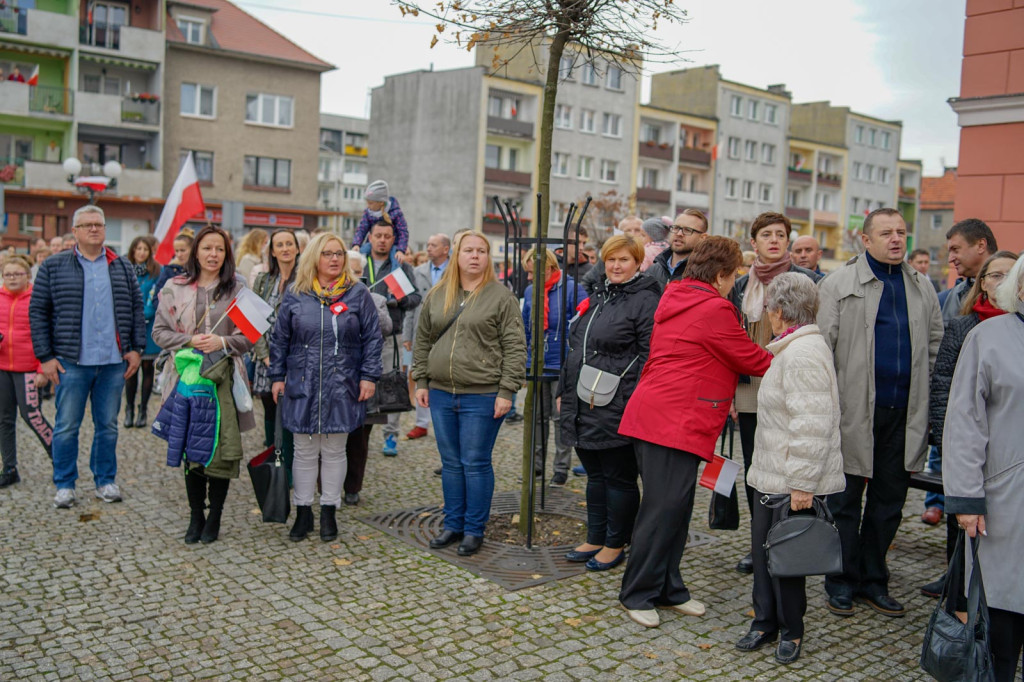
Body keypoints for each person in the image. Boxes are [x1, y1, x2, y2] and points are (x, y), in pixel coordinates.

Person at [617, 236, 773, 629]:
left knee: (675, 508)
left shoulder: (681, 296)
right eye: (733, 275)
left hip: (665, 416)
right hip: (672, 420)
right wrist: (795, 351)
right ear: (720, 275)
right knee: (662, 510)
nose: (734, 282)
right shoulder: (713, 308)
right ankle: (637, 592)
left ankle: (668, 588)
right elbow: (751, 358)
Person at [817, 208, 943, 618]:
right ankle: (840, 580)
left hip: (905, 413)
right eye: (886, 233)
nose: (896, 239)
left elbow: (935, 348)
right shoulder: (838, 284)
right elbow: (821, 350)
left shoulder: (921, 286)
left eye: (901, 232)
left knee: (889, 503)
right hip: (852, 412)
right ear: (866, 240)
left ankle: (873, 579)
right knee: (844, 501)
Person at [736, 273, 845, 665]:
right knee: (764, 553)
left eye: (768, 307)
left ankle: (791, 630)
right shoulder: (792, 347)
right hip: (772, 474)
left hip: (789, 479)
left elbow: (811, 424)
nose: (766, 313)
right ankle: (765, 621)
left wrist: (802, 484)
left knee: (787, 559)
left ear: (779, 311)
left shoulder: (802, 354)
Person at [413, 231, 526, 557]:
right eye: (468, 250)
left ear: (488, 257)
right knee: (450, 463)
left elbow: (515, 346)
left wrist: (507, 390)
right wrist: (421, 380)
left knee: (474, 462)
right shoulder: (438, 294)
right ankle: (453, 524)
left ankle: (474, 529)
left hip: (483, 394)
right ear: (457, 255)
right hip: (441, 393)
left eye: (481, 251)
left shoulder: (501, 297)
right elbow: (423, 340)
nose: (475, 256)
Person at [29, 206, 145, 509]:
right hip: (71, 362)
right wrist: (45, 357)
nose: (94, 229)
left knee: (108, 425)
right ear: (75, 231)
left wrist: (136, 349)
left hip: (113, 362)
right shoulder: (54, 265)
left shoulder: (121, 265)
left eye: (99, 224)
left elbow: (136, 308)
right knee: (67, 426)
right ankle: (64, 484)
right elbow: (38, 312)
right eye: (87, 225)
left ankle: (105, 481)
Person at [943, 254, 1024, 682]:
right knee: (1001, 625)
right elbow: (964, 422)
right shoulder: (988, 338)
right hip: (1004, 502)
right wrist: (966, 498)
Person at [270, 234, 382, 542]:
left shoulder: (358, 293)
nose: (334, 259)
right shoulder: (296, 293)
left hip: (342, 383)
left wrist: (369, 376)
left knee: (334, 450)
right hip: (302, 382)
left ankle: (329, 510)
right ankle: (303, 511)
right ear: (314, 258)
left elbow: (373, 338)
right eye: (327, 253)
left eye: (339, 254)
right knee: (304, 450)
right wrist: (277, 375)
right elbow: (280, 338)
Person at [920, 250, 1018, 597]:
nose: (1002, 282)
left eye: (1010, 274)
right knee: (962, 518)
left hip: (1009, 452)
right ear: (982, 283)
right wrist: (945, 438)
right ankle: (957, 583)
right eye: (995, 275)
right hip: (967, 441)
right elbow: (943, 382)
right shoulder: (965, 326)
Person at [729, 212, 822, 574]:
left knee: (789, 467)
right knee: (756, 469)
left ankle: (786, 542)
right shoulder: (741, 285)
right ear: (754, 243)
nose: (774, 240)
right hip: (751, 389)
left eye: (780, 235)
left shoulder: (807, 281)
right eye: (766, 235)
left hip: (791, 384)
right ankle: (760, 543)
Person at [559, 235, 660, 571]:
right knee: (595, 475)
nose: (616, 266)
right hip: (583, 398)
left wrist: (626, 395)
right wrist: (564, 391)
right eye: (611, 259)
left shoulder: (645, 299)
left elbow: (649, 355)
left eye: (624, 260)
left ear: (638, 263)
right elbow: (578, 348)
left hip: (615, 401)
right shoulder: (599, 294)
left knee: (618, 477)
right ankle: (596, 536)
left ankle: (616, 542)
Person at [151, 226, 255, 544]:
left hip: (223, 380)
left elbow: (250, 336)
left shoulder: (239, 289)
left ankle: (216, 515)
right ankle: (196, 514)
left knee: (220, 450)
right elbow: (159, 333)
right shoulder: (174, 287)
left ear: (227, 254)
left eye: (220, 249)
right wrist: (189, 340)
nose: (213, 254)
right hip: (185, 380)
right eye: (207, 248)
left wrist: (222, 341)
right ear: (196, 251)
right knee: (190, 449)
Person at [522, 247, 583, 487]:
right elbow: (527, 328)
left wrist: (573, 359)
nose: (529, 278)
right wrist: (527, 360)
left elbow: (581, 325)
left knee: (560, 417)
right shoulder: (530, 291)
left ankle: (560, 468)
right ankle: (536, 466)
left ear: (548, 269)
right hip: (537, 363)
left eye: (532, 272)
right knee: (537, 416)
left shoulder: (571, 289)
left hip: (562, 363)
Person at [360, 219, 421, 457]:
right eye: (378, 236)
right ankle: (359, 431)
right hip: (360, 335)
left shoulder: (400, 266)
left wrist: (399, 299)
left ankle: (391, 435)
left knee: (392, 383)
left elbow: (415, 299)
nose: (382, 240)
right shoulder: (358, 262)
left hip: (390, 334)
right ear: (370, 238)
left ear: (394, 239)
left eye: (387, 236)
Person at [343, 250, 392, 506]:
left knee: (359, 438)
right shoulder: (328, 298)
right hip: (338, 377)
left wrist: (366, 301)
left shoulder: (376, 298)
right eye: (348, 271)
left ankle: (352, 486)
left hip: (365, 377)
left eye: (356, 272)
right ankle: (327, 484)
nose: (352, 276)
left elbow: (386, 328)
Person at [0, 256, 54, 487]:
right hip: (2, 369)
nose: (12, 278)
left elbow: (47, 334)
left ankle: (60, 459)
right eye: (7, 274)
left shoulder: (36, 299)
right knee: (4, 419)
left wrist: (42, 368)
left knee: (32, 416)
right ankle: (9, 468)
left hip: (29, 369)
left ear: (28, 275)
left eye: (17, 274)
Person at [250, 229, 300, 473]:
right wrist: (265, 355)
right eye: (279, 245)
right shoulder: (263, 280)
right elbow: (252, 321)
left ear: (298, 248)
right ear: (272, 251)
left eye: (289, 243)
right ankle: (273, 466)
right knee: (270, 410)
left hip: (294, 358)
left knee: (288, 412)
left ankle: (288, 468)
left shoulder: (305, 280)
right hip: (266, 357)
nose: (285, 248)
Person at [404, 233, 450, 441]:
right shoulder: (418, 271)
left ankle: (443, 423)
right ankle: (421, 423)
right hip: (420, 329)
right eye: (428, 244)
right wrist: (407, 335)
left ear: (445, 249)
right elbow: (410, 306)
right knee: (420, 373)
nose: (428, 248)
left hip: (446, 330)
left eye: (433, 245)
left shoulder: (455, 270)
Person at [122, 236, 161, 429]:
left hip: (148, 326)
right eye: (138, 249)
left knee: (147, 369)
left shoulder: (156, 271)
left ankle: (143, 409)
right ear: (133, 250)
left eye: (145, 249)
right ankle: (129, 408)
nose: (141, 252)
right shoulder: (125, 269)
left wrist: (145, 312)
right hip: (129, 326)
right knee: (130, 371)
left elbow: (156, 298)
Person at [942, 218, 997, 324]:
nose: (950, 259)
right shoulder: (955, 295)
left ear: (981, 246)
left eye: (955, 250)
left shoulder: (1016, 287)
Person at [645, 209, 709, 289]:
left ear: (702, 238)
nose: (679, 234)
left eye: (687, 230)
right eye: (676, 228)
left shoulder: (705, 274)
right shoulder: (653, 270)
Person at [353, 180, 409, 260]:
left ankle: (396, 267)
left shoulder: (396, 213)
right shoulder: (368, 213)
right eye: (367, 203)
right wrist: (356, 244)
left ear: (381, 203)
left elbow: (403, 232)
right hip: (373, 244)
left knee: (396, 260)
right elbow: (362, 229)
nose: (368, 206)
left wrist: (400, 250)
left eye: (370, 203)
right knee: (360, 255)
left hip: (393, 245)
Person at [151, 231, 194, 300]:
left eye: (182, 250)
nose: (179, 255)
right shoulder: (169, 270)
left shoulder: (200, 269)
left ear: (193, 249)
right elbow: (156, 297)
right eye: (177, 251)